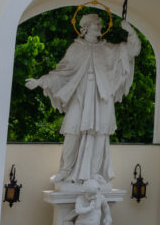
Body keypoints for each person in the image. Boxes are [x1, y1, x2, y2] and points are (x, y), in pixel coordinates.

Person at [27, 13, 141, 185]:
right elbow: (62, 72)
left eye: (100, 24)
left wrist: (130, 30)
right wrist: (41, 81)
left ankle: (94, 173)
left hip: (102, 95)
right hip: (80, 94)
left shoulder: (108, 48)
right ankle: (65, 171)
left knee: (100, 134)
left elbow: (133, 50)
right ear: (86, 27)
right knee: (72, 130)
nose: (100, 27)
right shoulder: (76, 48)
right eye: (96, 24)